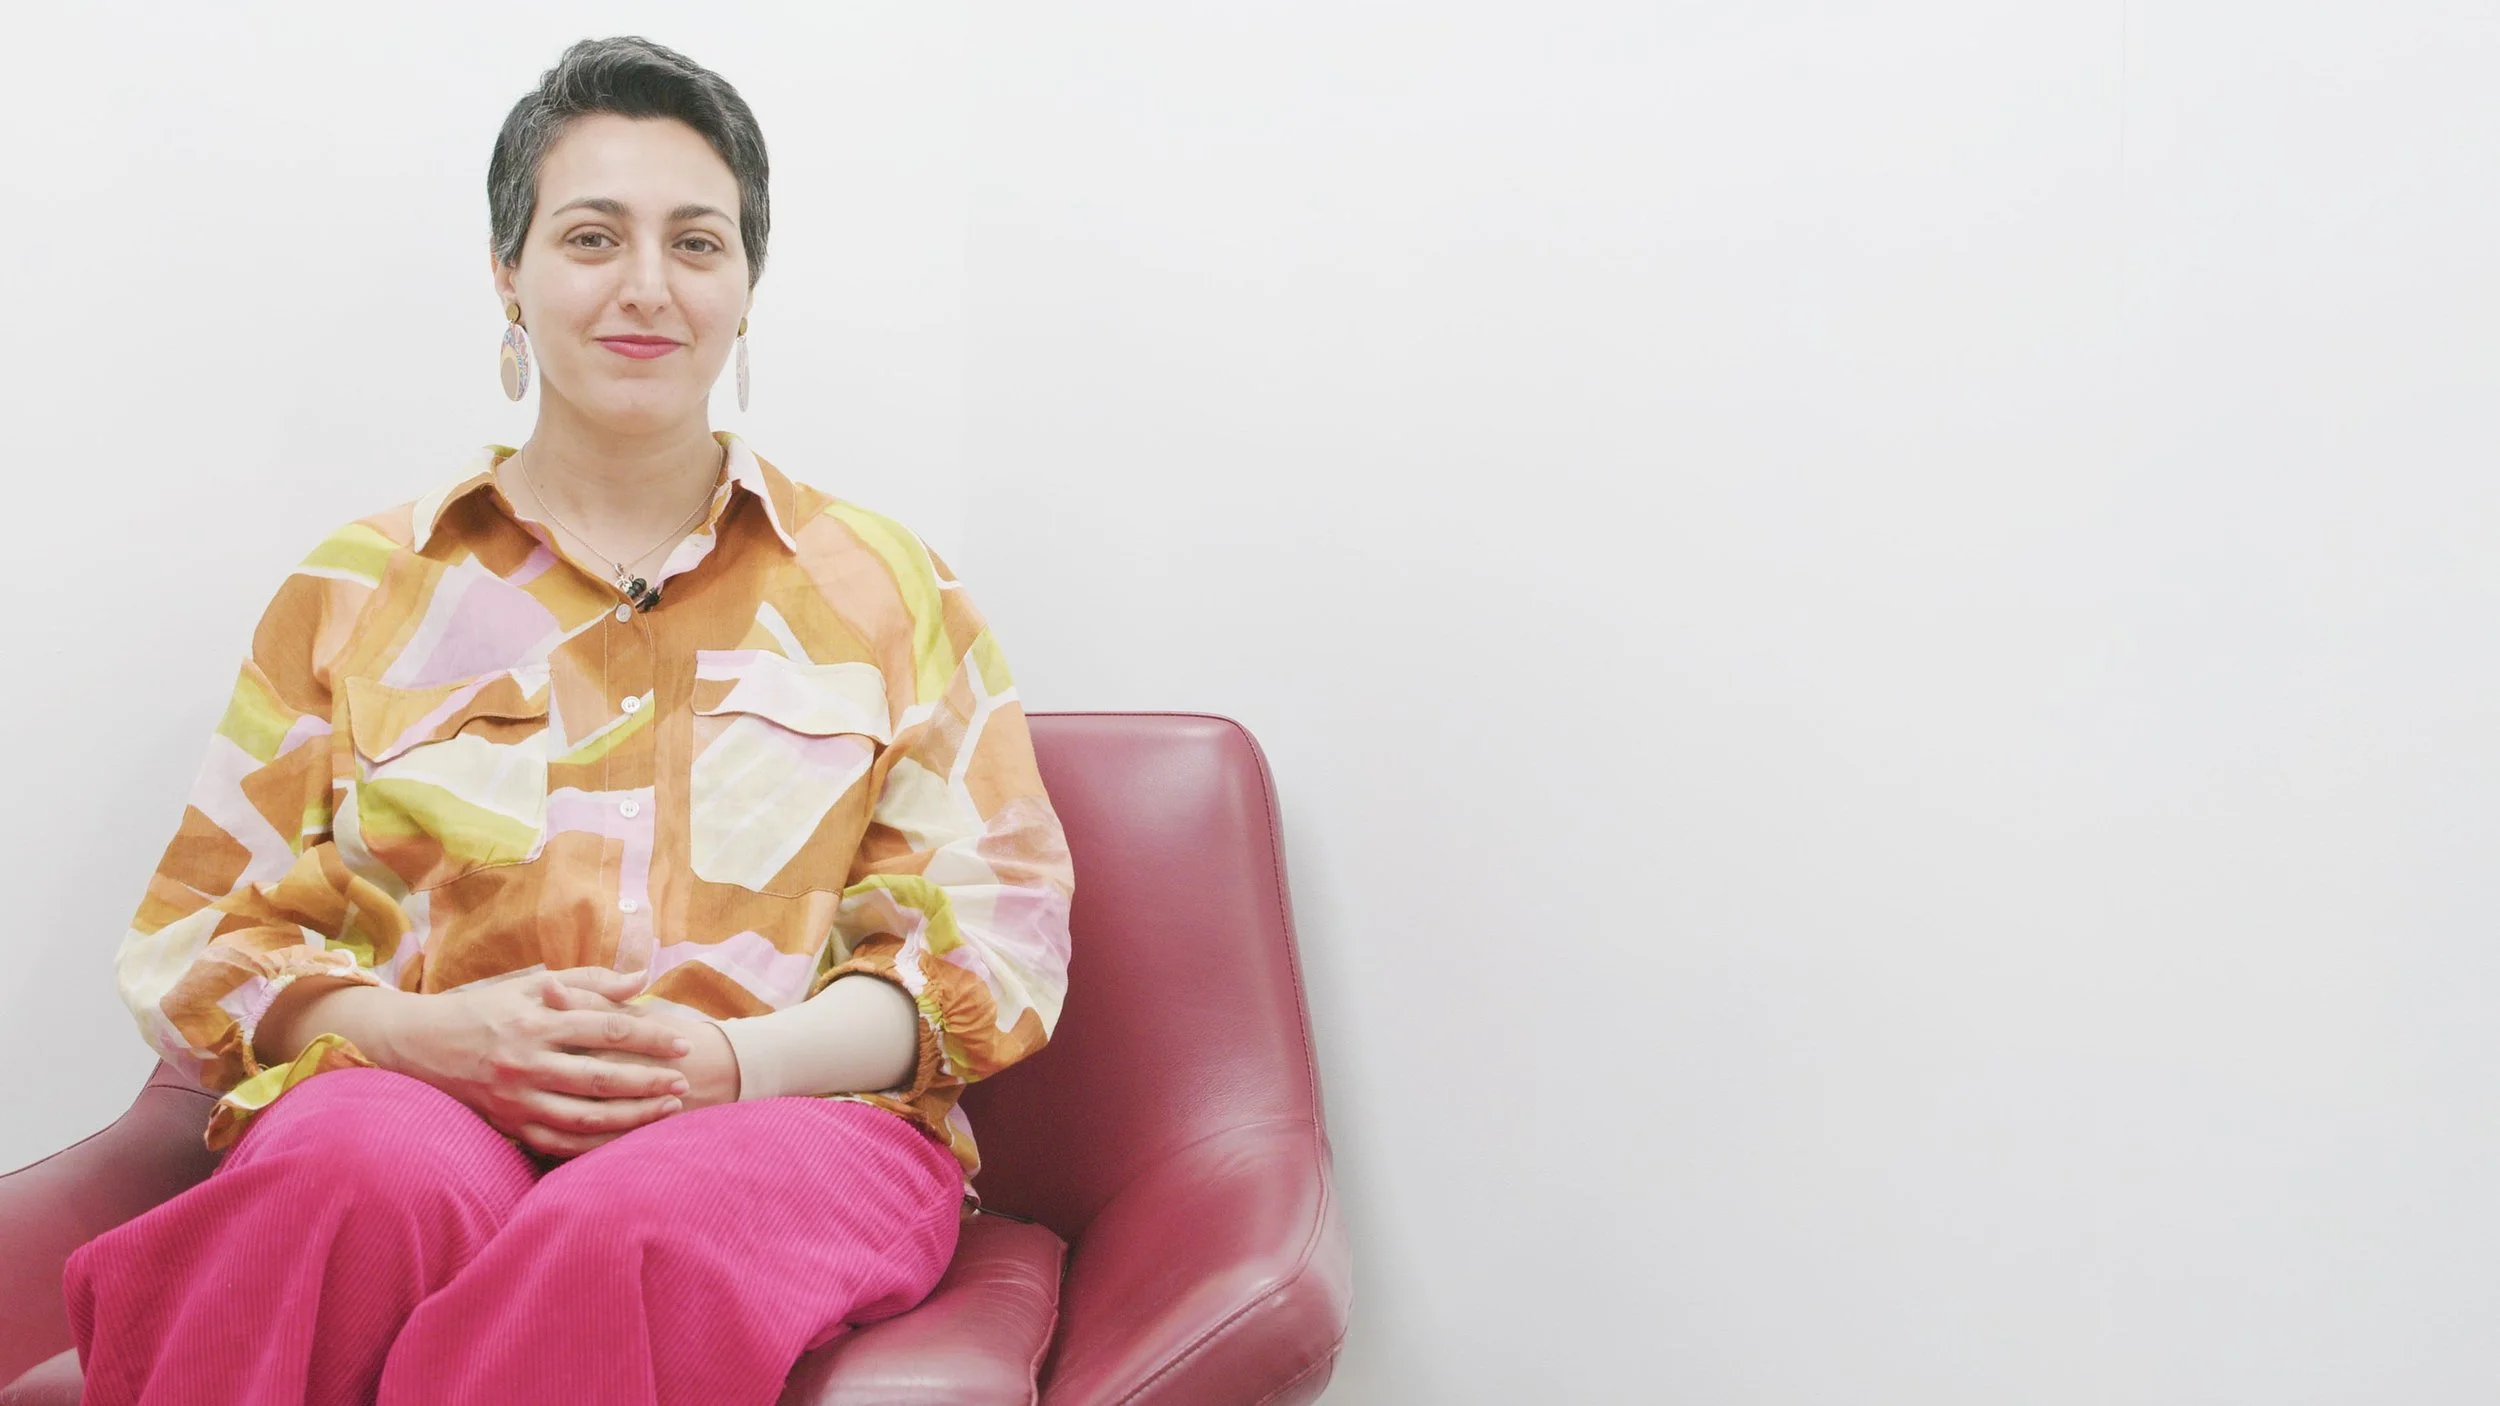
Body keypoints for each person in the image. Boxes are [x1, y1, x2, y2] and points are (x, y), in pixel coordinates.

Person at [62, 35, 1073, 1406]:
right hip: (422, 1098)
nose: (646, 285)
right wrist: (434, 1037)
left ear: (747, 285)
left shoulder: (887, 588)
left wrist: (732, 1060)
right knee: (337, 1179)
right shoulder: (359, 589)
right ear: (509, 271)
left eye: (697, 243)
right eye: (593, 237)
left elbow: (1000, 939)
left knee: (622, 1230)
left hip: (792, 1117)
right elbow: (196, 942)